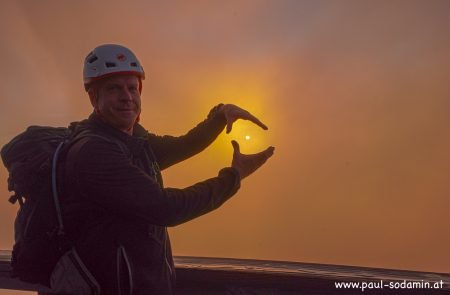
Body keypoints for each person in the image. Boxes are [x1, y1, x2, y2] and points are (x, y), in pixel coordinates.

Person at [53, 44, 274, 295]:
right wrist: (232, 178)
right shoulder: (94, 152)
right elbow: (166, 208)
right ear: (94, 97)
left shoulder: (133, 141)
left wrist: (219, 116)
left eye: (132, 88)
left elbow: (183, 145)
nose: (127, 96)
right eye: (114, 88)